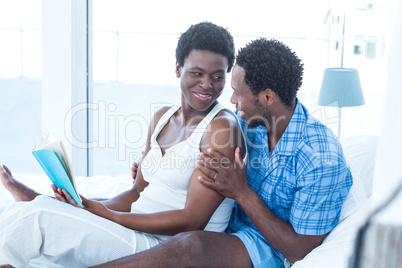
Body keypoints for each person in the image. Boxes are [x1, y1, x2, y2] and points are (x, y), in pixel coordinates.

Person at [0, 22, 246, 267]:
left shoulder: (221, 128)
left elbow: (192, 221)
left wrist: (111, 216)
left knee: (36, 219)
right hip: (133, 230)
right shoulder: (162, 117)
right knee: (25, 211)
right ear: (178, 68)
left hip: (160, 247)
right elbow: (136, 193)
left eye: (217, 77)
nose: (207, 85)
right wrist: (88, 205)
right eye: (197, 73)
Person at [94, 38, 353, 267]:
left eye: (239, 94)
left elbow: (300, 249)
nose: (232, 101)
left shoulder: (321, 158)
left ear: (267, 98)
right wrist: (156, 167)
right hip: (227, 225)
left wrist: (242, 193)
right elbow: (197, 149)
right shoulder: (248, 123)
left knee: (190, 245)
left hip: (270, 247)